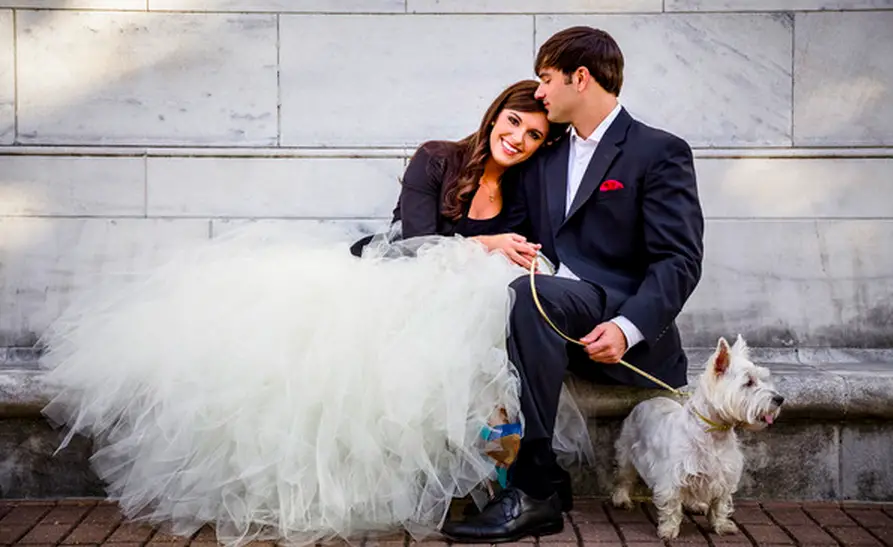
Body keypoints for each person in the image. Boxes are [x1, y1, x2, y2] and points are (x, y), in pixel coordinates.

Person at [37, 80, 588, 547]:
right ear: (495, 116)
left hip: (472, 296)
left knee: (495, 332)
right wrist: (488, 245)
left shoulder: (525, 185)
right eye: (512, 122)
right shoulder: (437, 157)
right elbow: (417, 242)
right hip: (402, 276)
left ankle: (494, 481)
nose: (517, 139)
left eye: (533, 135)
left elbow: (532, 244)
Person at [441, 26, 705, 543]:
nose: (539, 92)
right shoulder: (545, 157)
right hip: (550, 316)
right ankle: (539, 479)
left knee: (528, 296)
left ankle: (533, 488)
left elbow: (679, 259)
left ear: (579, 78)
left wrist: (629, 328)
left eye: (546, 79)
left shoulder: (658, 151)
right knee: (510, 295)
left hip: (617, 319)